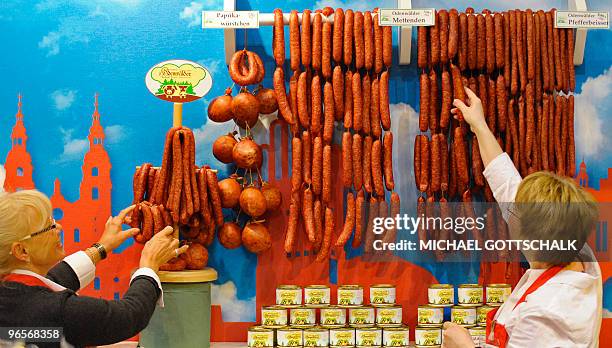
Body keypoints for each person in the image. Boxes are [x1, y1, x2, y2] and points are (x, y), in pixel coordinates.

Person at [441, 88, 602, 348]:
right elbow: (508, 184)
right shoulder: (571, 246)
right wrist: (479, 125)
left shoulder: (547, 313)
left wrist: (464, 346)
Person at [0, 190, 189, 348]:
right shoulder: (57, 311)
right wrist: (149, 265)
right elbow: (128, 316)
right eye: (48, 226)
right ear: (21, 250)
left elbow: (51, 283)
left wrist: (100, 248)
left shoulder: (11, 293)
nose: (59, 227)